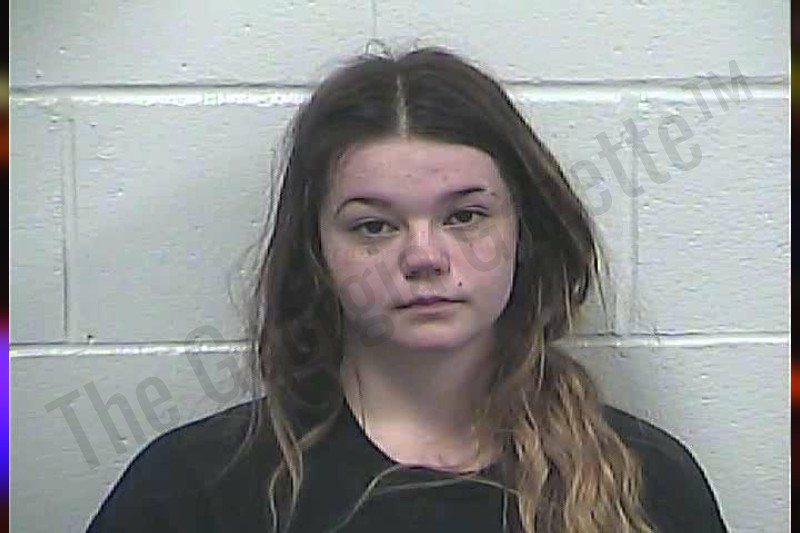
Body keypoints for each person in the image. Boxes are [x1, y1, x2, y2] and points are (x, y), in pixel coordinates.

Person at [85, 46, 729, 533]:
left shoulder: (646, 480)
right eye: (374, 226)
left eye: (465, 216)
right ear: (316, 253)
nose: (423, 257)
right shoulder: (195, 489)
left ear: (526, 234)